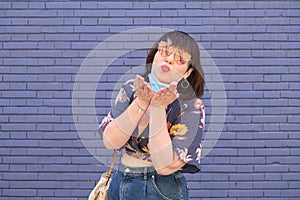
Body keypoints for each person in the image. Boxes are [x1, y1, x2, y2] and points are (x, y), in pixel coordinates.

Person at [99, 30, 205, 200]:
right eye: (164, 51)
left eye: (180, 59)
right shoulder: (131, 89)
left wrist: (157, 107)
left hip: (160, 188)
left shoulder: (191, 106)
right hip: (120, 182)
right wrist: (141, 102)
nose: (169, 59)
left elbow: (164, 165)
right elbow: (110, 141)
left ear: (188, 72)